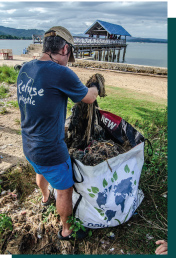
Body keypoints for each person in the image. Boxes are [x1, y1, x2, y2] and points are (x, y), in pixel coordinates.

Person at [17, 26, 100, 240]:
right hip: (50, 149)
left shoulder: (25, 69)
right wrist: (96, 87)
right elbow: (89, 98)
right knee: (65, 190)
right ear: (64, 49)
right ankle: (67, 230)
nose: (68, 59)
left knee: (40, 171)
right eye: (69, 54)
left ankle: (45, 199)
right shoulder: (61, 72)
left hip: (28, 143)